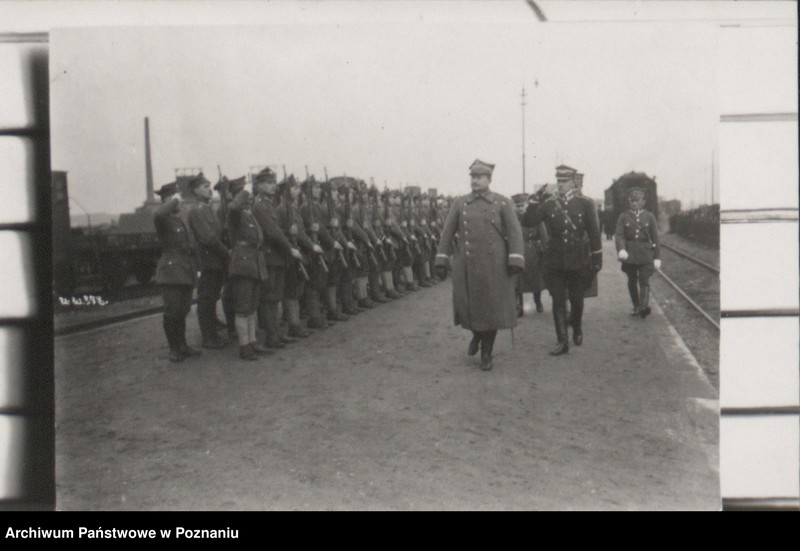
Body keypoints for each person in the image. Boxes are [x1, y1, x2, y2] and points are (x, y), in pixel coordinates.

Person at [434, 159, 525, 371]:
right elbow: (447, 233)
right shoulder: (460, 203)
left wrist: (515, 259)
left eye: (479, 177)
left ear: (489, 179)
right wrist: (441, 259)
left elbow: (515, 233)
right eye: (473, 177)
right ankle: (476, 334)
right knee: (468, 306)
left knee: (491, 311)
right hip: (467, 265)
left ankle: (486, 352)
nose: (475, 181)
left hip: (495, 267)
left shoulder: (502, 203)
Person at [521, 165, 602, 356]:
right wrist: (534, 201)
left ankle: (577, 327)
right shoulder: (549, 204)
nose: (561, 184)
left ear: (573, 182)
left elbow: (594, 232)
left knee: (577, 300)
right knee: (558, 301)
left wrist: (597, 258)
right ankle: (562, 341)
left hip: (578, 259)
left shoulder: (585, 203)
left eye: (565, 181)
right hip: (555, 260)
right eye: (559, 181)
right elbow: (528, 221)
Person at [251, 167, 303, 348]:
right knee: (270, 297)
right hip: (269, 256)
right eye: (268, 183)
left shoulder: (269, 205)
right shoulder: (259, 206)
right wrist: (290, 249)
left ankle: (276, 334)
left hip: (277, 257)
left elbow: (279, 230)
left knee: (276, 296)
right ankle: (271, 336)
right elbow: (272, 232)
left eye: (274, 183)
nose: (273, 186)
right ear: (259, 186)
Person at [153, 182, 201, 363]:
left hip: (185, 270)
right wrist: (173, 201)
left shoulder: (179, 219)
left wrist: (197, 268)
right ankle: (173, 348)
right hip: (171, 272)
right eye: (176, 198)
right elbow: (159, 213)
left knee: (183, 310)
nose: (180, 201)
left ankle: (183, 345)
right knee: (172, 311)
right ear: (167, 200)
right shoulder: (163, 219)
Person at [226, 176, 270, 360]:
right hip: (243, 264)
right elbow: (234, 207)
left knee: (252, 306)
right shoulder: (235, 213)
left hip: (253, 263)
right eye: (245, 194)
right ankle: (244, 346)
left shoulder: (248, 214)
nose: (250, 196)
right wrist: (244, 191)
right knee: (243, 308)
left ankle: (252, 342)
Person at [187, 172, 229, 349]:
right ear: (196, 191)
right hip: (208, 261)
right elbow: (208, 238)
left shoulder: (208, 209)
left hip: (216, 261)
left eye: (209, 186)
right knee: (206, 299)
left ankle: (213, 332)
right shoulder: (196, 211)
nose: (209, 189)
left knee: (212, 297)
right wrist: (227, 252)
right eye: (205, 187)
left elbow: (218, 233)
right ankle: (208, 338)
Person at [614, 187, 661, 318]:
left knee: (644, 280)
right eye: (632, 201)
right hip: (629, 254)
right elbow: (619, 235)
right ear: (629, 202)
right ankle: (636, 306)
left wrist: (657, 257)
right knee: (632, 280)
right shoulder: (623, 217)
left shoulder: (649, 216)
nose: (634, 203)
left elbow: (655, 238)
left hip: (646, 254)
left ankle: (643, 308)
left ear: (643, 202)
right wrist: (621, 249)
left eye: (637, 200)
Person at [512, 193, 547, 315]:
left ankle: (538, 301)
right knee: (517, 281)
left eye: (522, 206)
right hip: (517, 252)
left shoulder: (533, 217)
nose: (520, 208)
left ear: (526, 205)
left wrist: (545, 250)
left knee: (536, 279)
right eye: (517, 206)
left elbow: (543, 235)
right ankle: (519, 306)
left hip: (533, 252)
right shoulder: (511, 218)